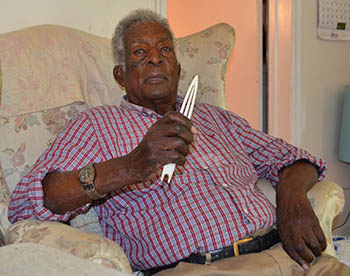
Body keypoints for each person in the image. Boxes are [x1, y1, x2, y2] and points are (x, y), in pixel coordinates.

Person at [7, 9, 349, 276]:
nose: (154, 58)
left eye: (164, 49)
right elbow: (30, 202)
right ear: (120, 75)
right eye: (139, 52)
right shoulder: (96, 125)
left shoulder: (218, 118)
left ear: (178, 67)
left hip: (291, 257)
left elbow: (294, 159)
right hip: (201, 269)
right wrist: (132, 165)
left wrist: (291, 202)